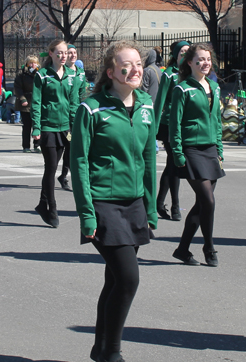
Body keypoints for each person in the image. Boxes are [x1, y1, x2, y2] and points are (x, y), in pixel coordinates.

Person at [70, 40, 157, 362]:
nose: (135, 70)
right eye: (126, 65)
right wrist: (87, 215)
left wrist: (150, 207)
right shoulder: (91, 109)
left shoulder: (147, 105)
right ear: (111, 72)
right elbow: (78, 162)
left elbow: (148, 159)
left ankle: (100, 347)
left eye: (138, 64)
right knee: (128, 278)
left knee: (114, 280)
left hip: (134, 203)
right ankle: (112, 353)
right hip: (103, 203)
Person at [169, 43, 225, 267]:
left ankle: (182, 249)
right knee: (208, 201)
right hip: (191, 150)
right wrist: (178, 154)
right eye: (200, 59)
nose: (205, 63)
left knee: (202, 204)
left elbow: (217, 121)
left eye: (208, 59)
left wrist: (220, 150)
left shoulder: (214, 86)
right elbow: (175, 125)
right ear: (190, 63)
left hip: (210, 150)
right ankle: (208, 247)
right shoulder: (182, 89)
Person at [31, 40, 77, 228]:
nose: (63, 56)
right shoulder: (41, 76)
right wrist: (36, 128)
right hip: (48, 127)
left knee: (56, 166)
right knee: (50, 167)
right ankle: (52, 207)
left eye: (65, 53)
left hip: (64, 128)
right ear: (50, 54)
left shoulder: (71, 76)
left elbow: (73, 104)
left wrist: (74, 128)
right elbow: (36, 103)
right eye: (59, 53)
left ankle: (42, 203)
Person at [153, 40, 190, 221]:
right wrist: (153, 127)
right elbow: (160, 101)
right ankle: (175, 205)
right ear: (175, 55)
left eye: (188, 51)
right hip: (169, 124)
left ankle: (159, 202)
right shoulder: (169, 74)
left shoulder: (192, 73)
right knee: (174, 164)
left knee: (172, 165)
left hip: (186, 126)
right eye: (182, 52)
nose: (185, 54)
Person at [54, 44, 86, 192]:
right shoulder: (62, 72)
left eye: (75, 53)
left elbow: (82, 94)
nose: (73, 55)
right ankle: (61, 174)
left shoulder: (80, 73)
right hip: (64, 116)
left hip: (77, 115)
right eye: (70, 53)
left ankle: (64, 175)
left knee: (72, 147)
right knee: (67, 147)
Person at [14, 56, 40, 153]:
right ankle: (26, 146)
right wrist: (22, 99)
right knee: (27, 125)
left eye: (35, 63)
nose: (33, 65)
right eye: (31, 63)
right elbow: (18, 88)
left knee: (37, 124)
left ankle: (37, 145)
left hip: (37, 102)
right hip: (26, 103)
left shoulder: (40, 73)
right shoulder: (22, 74)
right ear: (27, 64)